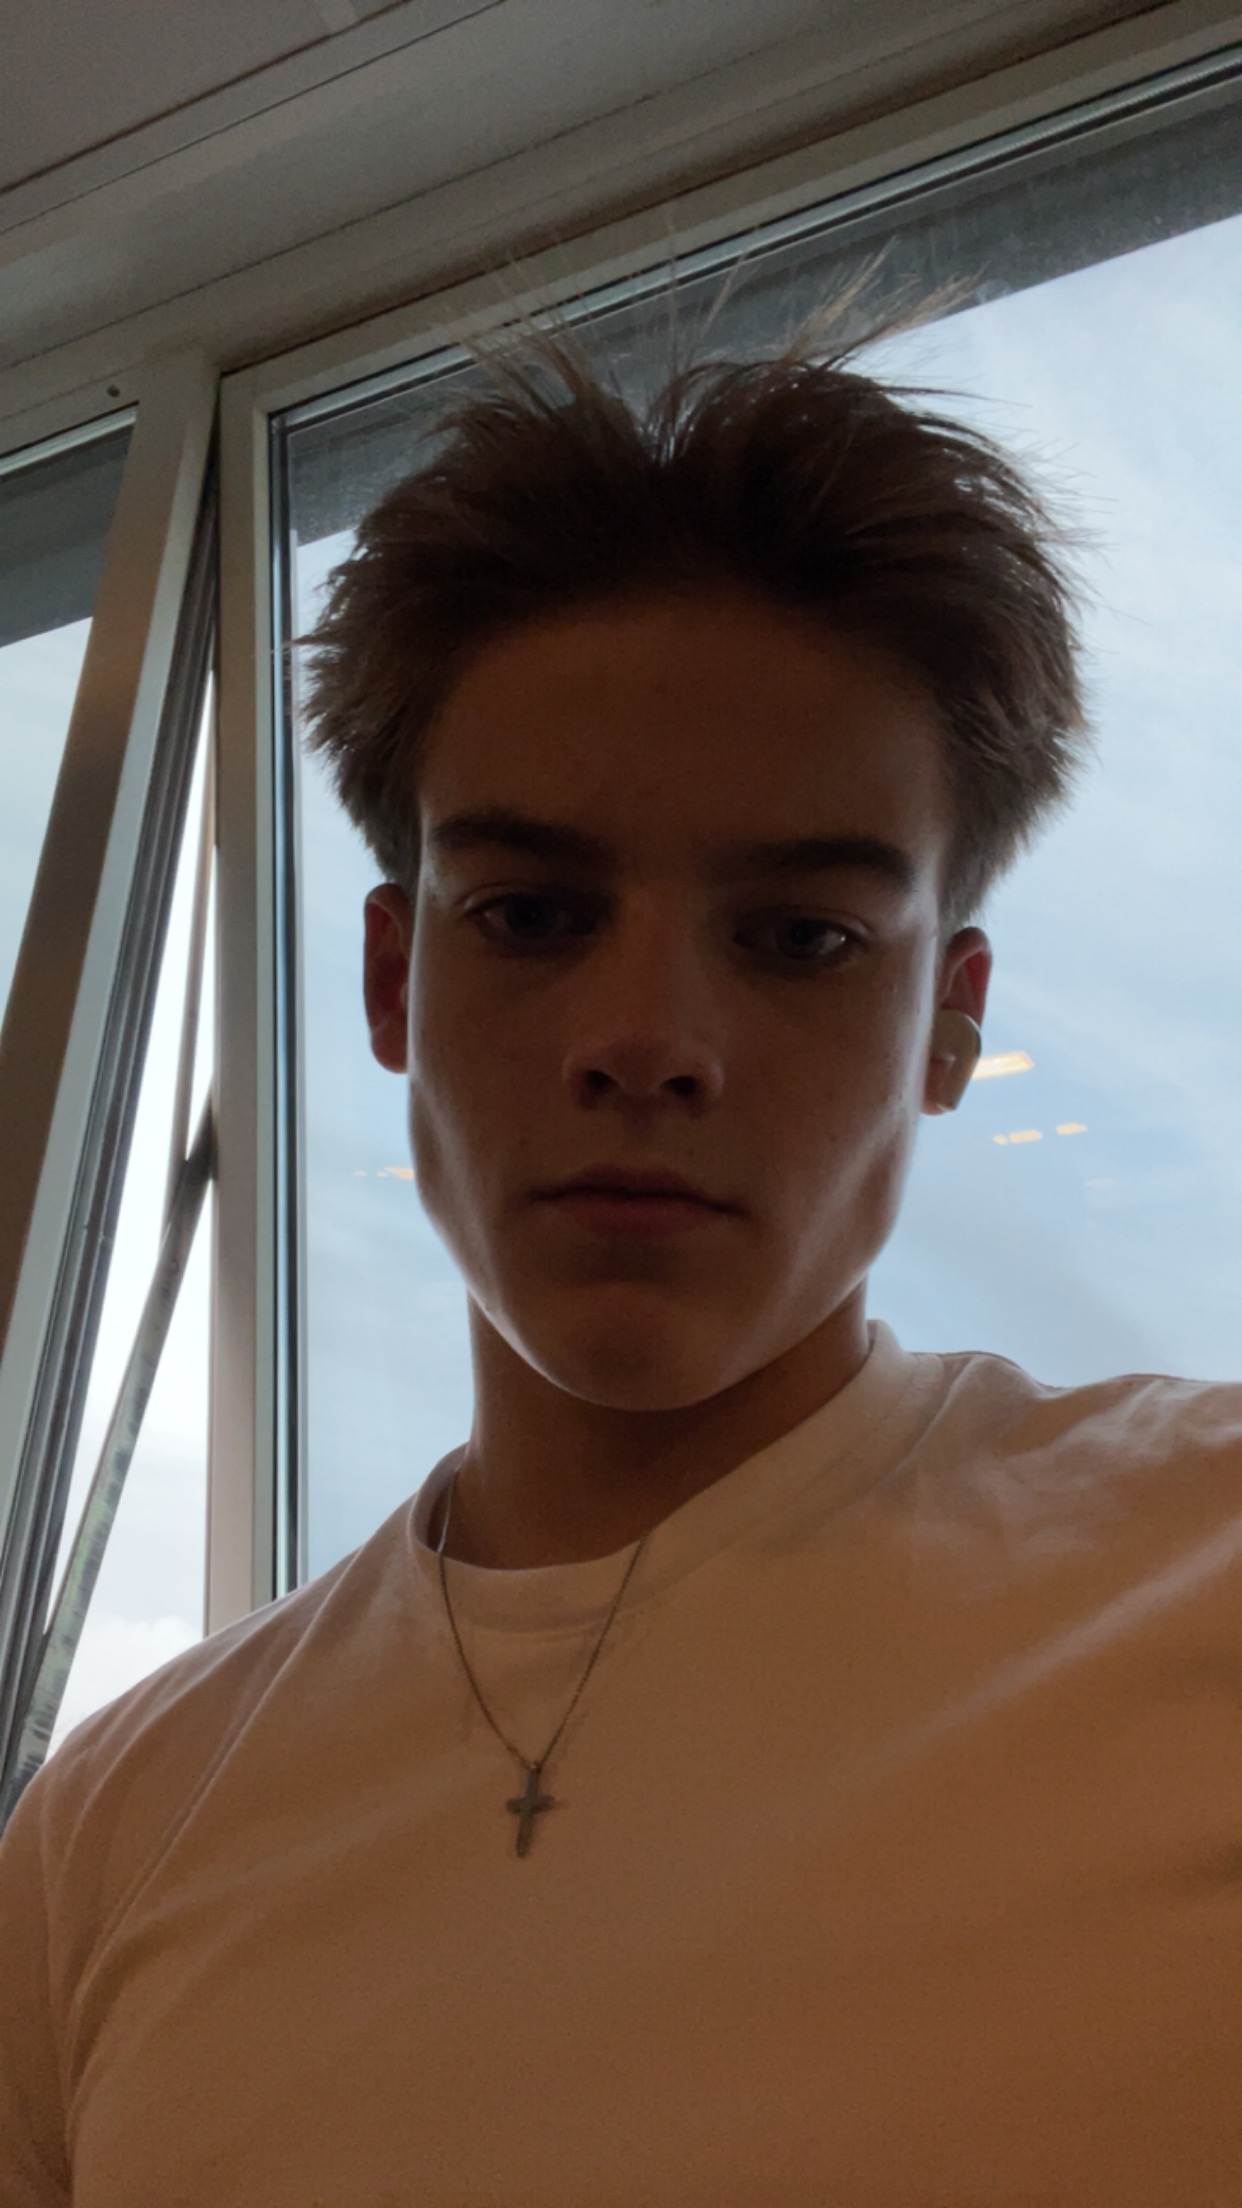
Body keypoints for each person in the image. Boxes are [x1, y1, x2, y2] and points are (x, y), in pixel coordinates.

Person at [1, 326, 1240, 2207]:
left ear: (949, 1022)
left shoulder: (1197, 1569)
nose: (647, 1038)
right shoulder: (111, 1831)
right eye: (531, 913)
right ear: (394, 979)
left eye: (802, 938)